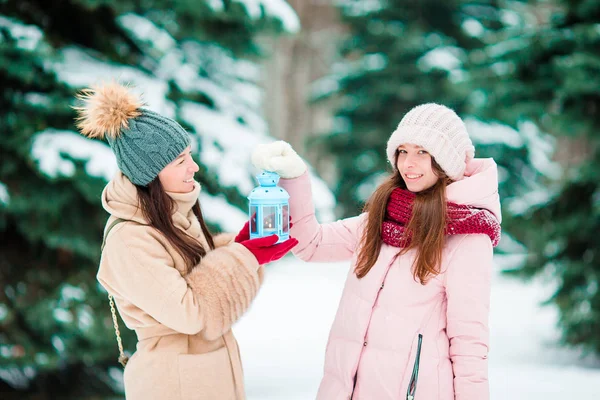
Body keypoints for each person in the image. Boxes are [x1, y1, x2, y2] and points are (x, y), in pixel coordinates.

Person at [251, 103, 502, 400]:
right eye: (402, 151)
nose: (408, 163)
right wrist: (294, 178)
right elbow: (311, 243)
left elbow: (469, 343)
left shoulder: (467, 237)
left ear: (445, 160)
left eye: (422, 152)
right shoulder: (383, 217)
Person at [75, 82, 297, 400]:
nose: (193, 167)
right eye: (180, 161)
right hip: (173, 384)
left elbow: (200, 278)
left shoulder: (173, 214)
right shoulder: (130, 239)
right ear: (149, 174)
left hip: (203, 377)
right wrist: (242, 257)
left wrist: (241, 247)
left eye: (189, 155)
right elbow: (189, 313)